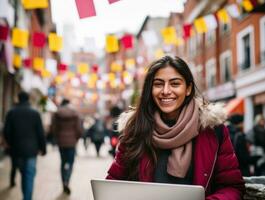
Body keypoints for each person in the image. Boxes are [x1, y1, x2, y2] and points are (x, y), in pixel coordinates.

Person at [106, 56, 245, 199]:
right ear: (150, 89)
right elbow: (113, 183)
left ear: (188, 89)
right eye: (158, 84)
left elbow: (232, 187)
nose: (166, 91)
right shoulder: (135, 130)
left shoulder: (213, 130)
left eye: (175, 84)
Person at [3, 91, 46, 200]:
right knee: (29, 176)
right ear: (29, 99)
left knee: (24, 174)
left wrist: (10, 143)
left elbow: (6, 132)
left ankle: (26, 197)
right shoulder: (35, 113)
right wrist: (43, 148)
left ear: (18, 98)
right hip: (32, 150)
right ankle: (27, 198)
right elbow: (40, 133)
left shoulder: (11, 112)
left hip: (16, 150)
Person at [51, 98, 82, 195]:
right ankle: (67, 180)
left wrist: (57, 137)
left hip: (61, 141)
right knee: (71, 162)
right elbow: (79, 129)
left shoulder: (57, 113)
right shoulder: (75, 113)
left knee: (63, 162)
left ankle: (63, 181)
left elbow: (54, 128)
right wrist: (76, 138)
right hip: (72, 142)